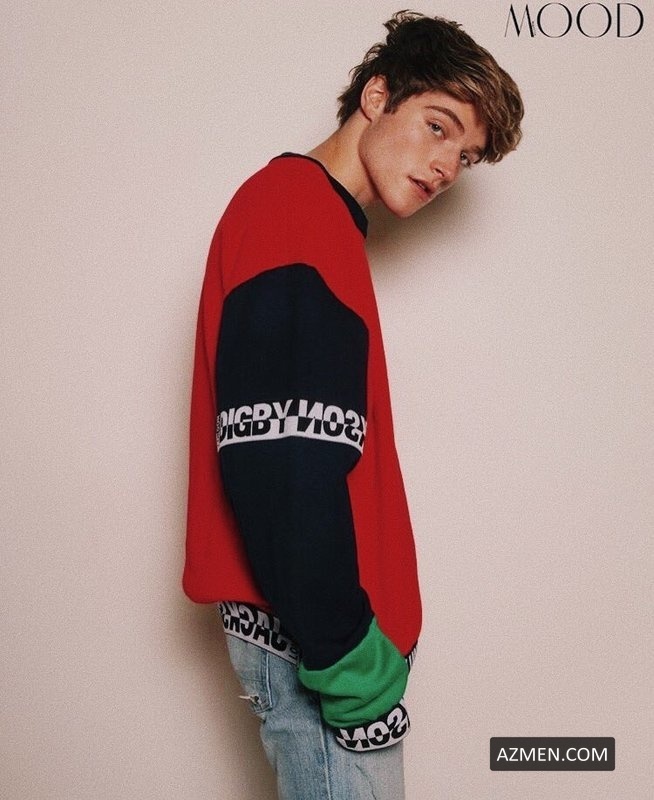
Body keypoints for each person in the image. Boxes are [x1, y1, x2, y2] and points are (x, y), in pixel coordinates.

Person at [184, 10, 523, 799]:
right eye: (438, 127)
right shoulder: (294, 215)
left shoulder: (313, 219)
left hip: (325, 633)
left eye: (465, 156)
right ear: (377, 96)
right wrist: (349, 661)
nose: (446, 166)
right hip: (323, 647)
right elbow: (282, 463)